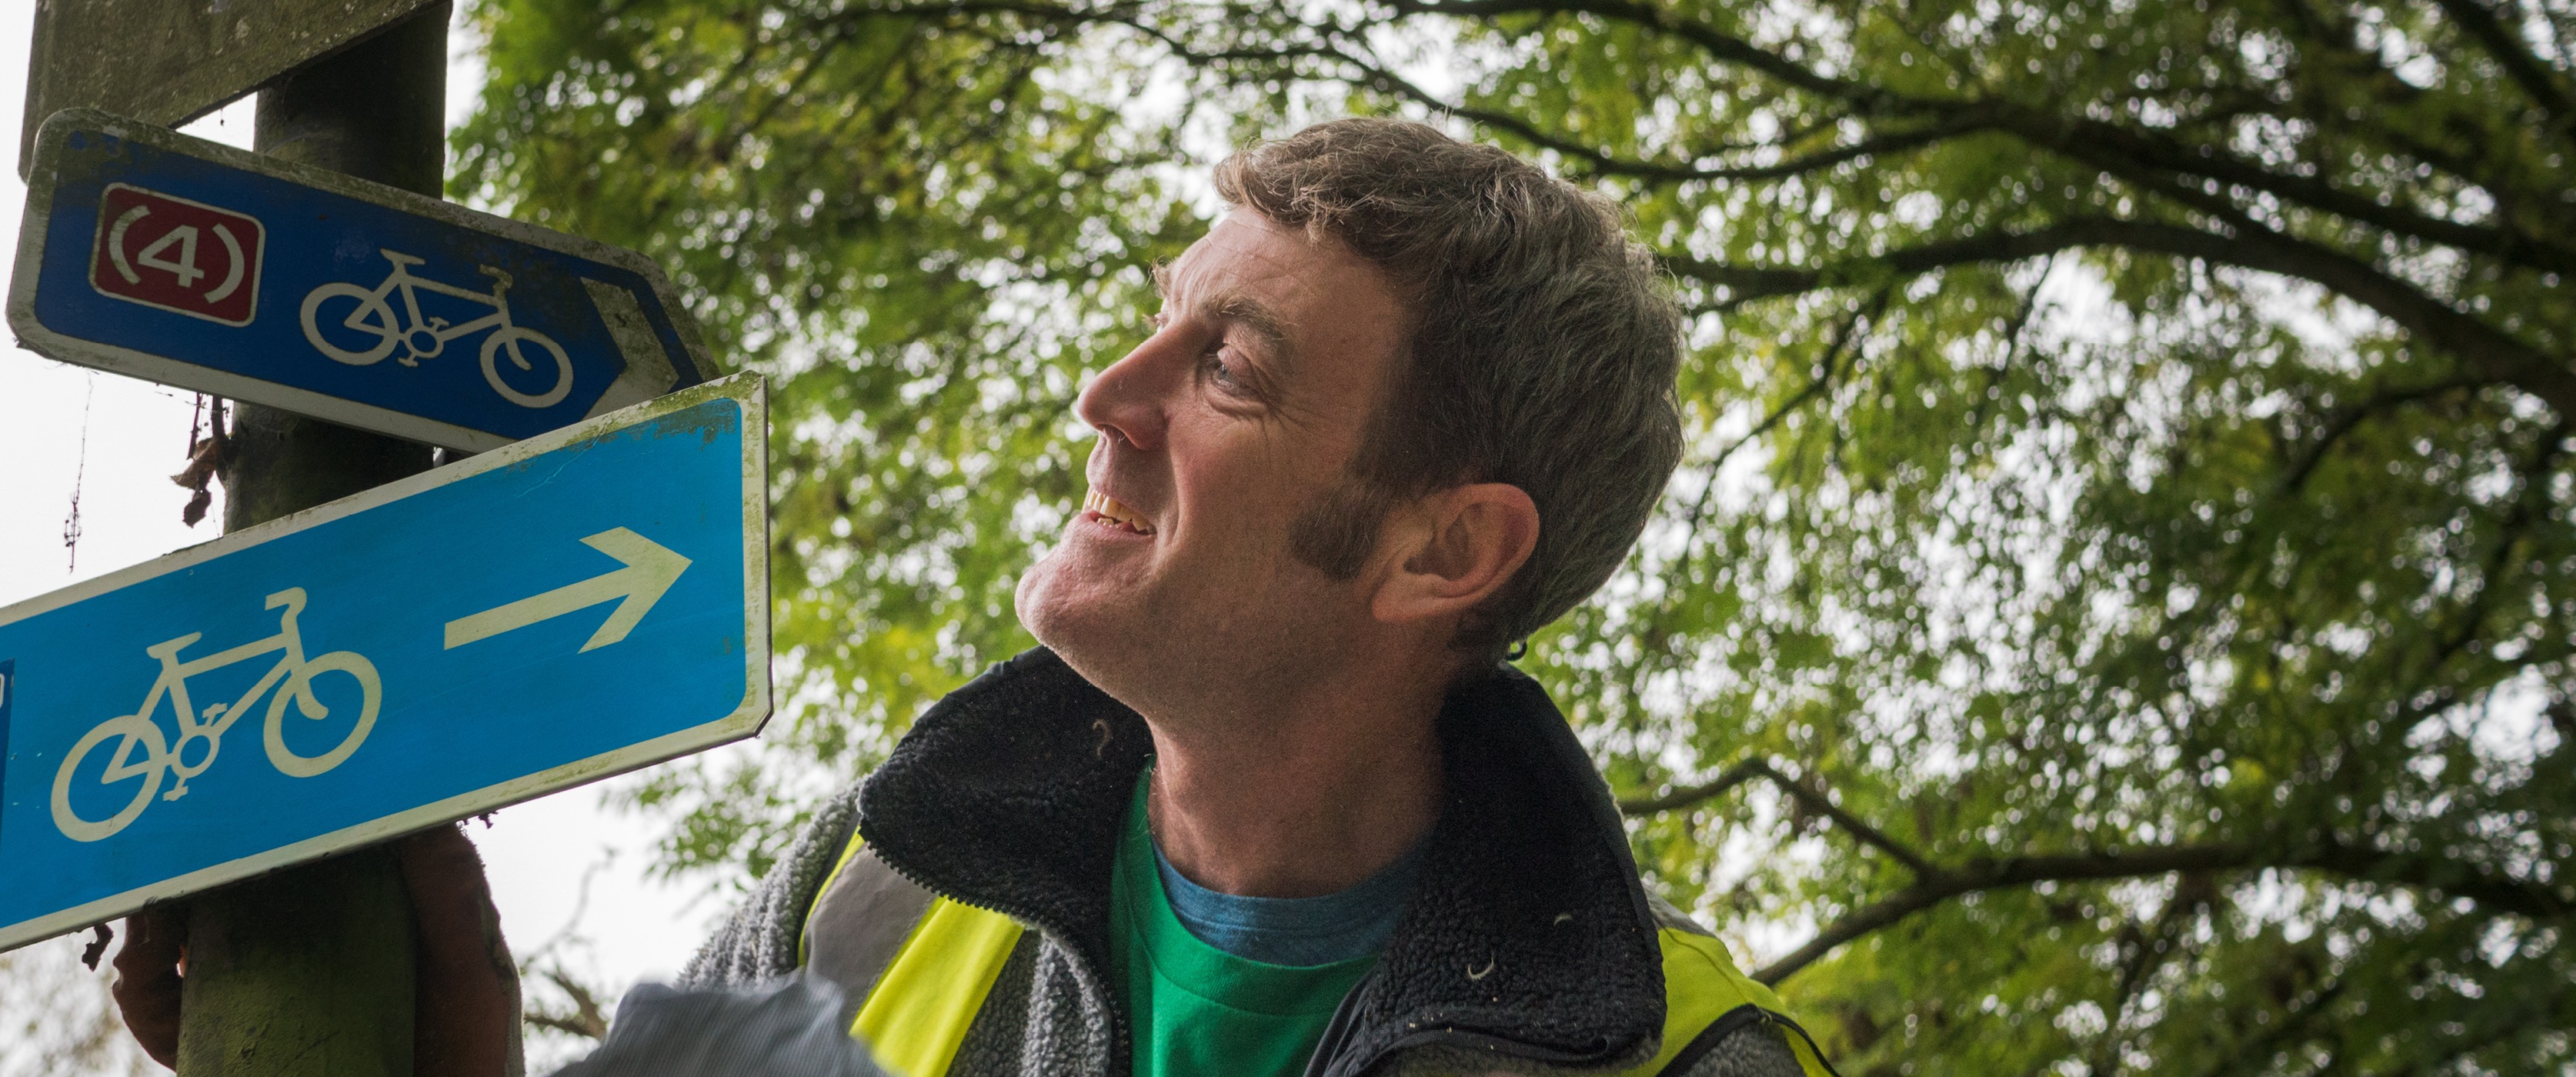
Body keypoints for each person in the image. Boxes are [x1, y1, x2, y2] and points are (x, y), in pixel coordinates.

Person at [114, 118, 1835, 1077]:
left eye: (1225, 365)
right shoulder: (878, 885)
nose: (1108, 388)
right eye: (1159, 311)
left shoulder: (1687, 1065)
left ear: (1443, 551)